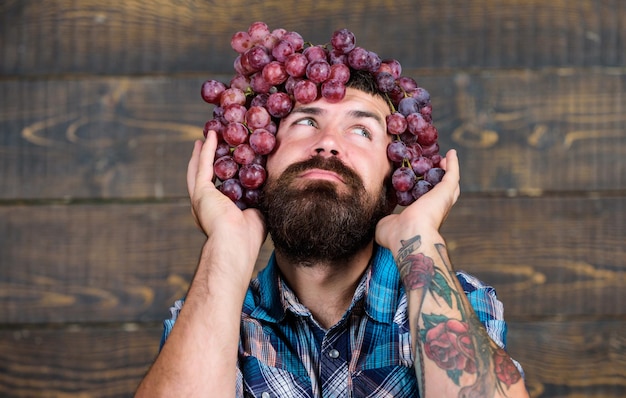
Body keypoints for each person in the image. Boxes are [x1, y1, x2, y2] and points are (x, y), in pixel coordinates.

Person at [135, 67, 529, 397]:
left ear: (396, 179)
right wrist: (226, 245)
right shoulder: (208, 313)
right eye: (306, 121)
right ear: (259, 157)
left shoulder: (459, 302)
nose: (327, 144)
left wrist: (419, 235)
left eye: (361, 131)